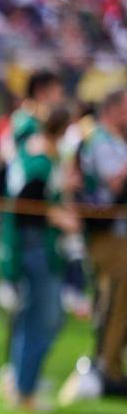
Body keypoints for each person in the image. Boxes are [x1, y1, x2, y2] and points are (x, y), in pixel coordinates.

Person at [0, 90, 80, 411]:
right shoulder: (39, 161)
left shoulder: (37, 153)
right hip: (36, 246)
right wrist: (59, 216)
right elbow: (27, 206)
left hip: (35, 246)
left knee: (36, 317)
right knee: (43, 319)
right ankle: (25, 389)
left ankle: (21, 380)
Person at [78, 89, 127, 390]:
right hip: (108, 235)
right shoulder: (100, 140)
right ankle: (106, 370)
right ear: (112, 109)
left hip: (119, 233)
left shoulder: (116, 140)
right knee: (113, 302)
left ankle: (112, 366)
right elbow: (115, 183)